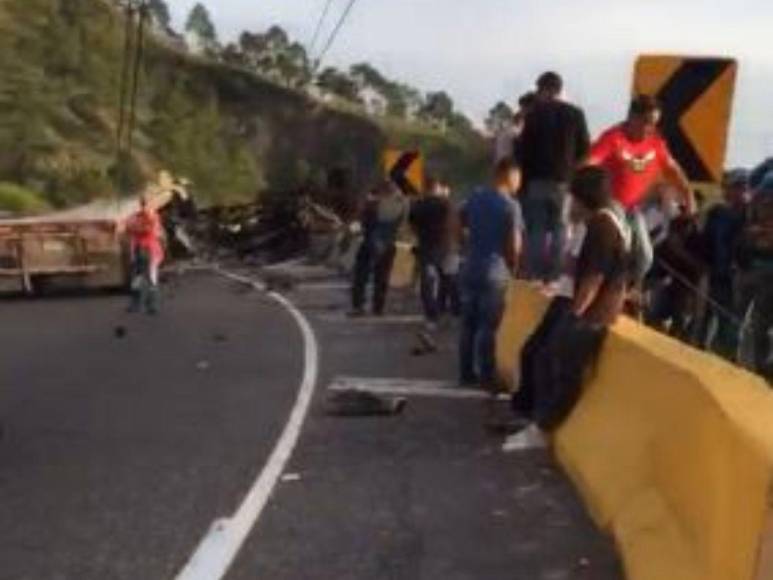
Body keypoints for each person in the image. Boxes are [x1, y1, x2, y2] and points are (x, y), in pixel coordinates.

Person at [506, 166, 632, 450]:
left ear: (583, 197)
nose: (569, 203)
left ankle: (541, 428)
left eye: (572, 197)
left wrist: (575, 314)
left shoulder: (602, 228)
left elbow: (594, 278)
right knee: (541, 356)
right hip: (582, 308)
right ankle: (533, 420)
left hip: (592, 315)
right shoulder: (596, 224)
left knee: (563, 370)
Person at [588, 95, 694, 284]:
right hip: (610, 206)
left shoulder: (655, 143)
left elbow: (674, 171)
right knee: (619, 251)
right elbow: (590, 162)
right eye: (646, 122)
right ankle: (605, 286)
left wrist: (689, 196)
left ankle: (621, 289)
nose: (649, 128)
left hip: (633, 209)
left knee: (644, 258)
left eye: (654, 123)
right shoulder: (613, 138)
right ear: (632, 117)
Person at [458, 159, 524, 392]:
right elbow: (514, 244)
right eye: (518, 177)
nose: (519, 183)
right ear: (508, 175)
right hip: (495, 270)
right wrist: (514, 267)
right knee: (489, 326)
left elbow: (457, 223)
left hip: (470, 266)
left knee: (468, 324)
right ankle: (487, 375)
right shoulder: (510, 206)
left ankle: (465, 373)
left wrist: (466, 247)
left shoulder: (474, 198)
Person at [518, 72, 590, 283]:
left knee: (537, 230)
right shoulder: (575, 114)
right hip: (564, 181)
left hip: (536, 180)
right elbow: (585, 149)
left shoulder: (533, 115)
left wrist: (523, 183)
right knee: (561, 228)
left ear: (544, 90)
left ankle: (534, 276)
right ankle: (554, 277)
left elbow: (523, 151)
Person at [699, 170, 750, 357]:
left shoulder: (751, 215)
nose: (737, 191)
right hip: (714, 273)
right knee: (702, 318)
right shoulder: (717, 213)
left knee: (729, 324)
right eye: (731, 187)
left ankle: (724, 357)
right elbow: (706, 241)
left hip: (737, 279)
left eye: (741, 187)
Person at [350, 181, 409, 317]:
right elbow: (402, 225)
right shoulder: (402, 204)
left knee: (361, 275)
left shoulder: (372, 203)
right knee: (382, 277)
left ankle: (359, 306)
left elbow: (360, 222)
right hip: (388, 244)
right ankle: (378, 307)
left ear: (383, 191)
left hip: (369, 243)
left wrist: (352, 230)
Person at [409, 177, 456, 342]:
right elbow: (454, 224)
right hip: (446, 248)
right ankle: (445, 311)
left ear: (425, 188)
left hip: (426, 248)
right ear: (437, 187)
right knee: (447, 280)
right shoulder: (446, 204)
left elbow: (412, 225)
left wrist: (420, 235)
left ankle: (432, 315)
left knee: (428, 283)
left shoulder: (418, 205)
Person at [737, 171, 773, 380]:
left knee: (757, 325)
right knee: (755, 325)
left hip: (762, 274)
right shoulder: (755, 221)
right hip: (757, 272)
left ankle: (756, 369)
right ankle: (754, 370)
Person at [126, 194, 165, 315]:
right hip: (140, 248)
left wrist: (136, 227)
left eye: (146, 203)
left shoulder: (152, 216)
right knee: (137, 277)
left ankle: (151, 304)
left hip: (150, 250)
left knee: (150, 276)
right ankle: (137, 304)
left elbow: (147, 229)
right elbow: (129, 228)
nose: (144, 206)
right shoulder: (137, 216)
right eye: (143, 203)